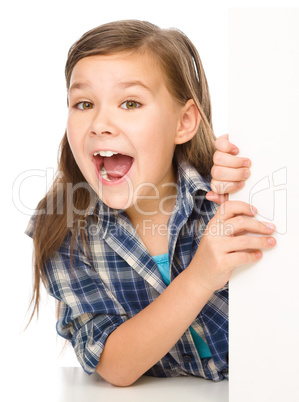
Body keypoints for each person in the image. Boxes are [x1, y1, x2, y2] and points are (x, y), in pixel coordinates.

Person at [25, 20, 276, 387]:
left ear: (184, 121)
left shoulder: (227, 190)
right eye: (83, 103)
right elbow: (114, 366)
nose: (100, 123)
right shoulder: (63, 229)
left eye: (130, 103)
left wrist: (260, 170)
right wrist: (200, 277)